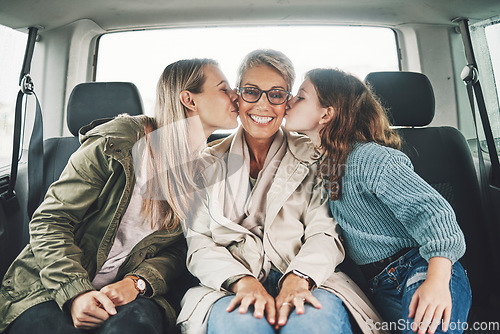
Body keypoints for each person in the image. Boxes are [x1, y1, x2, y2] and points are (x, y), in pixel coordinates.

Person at [0, 58, 239, 334]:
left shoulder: (206, 170)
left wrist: (138, 282)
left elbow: (178, 251)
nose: (235, 95)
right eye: (224, 88)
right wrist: (75, 293)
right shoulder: (117, 141)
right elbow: (50, 221)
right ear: (189, 99)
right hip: (50, 284)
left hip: (131, 293)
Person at [177, 50, 386, 334]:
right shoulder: (204, 164)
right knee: (240, 325)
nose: (262, 105)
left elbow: (324, 232)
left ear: (287, 101)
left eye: (276, 94)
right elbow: (199, 243)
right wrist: (242, 281)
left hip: (311, 279)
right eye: (251, 92)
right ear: (237, 97)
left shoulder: (315, 157)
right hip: (228, 285)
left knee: (312, 324)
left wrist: (298, 279)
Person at [284, 68, 472, 334]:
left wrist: (437, 280)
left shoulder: (370, 158)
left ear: (326, 114)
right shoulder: (320, 164)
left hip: (421, 267)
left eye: (300, 97)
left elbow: (434, 213)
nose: (289, 100)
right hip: (380, 285)